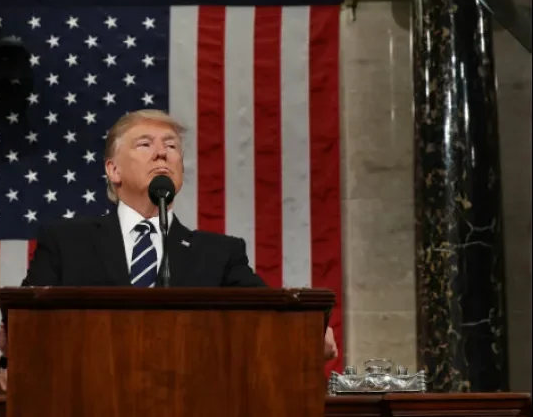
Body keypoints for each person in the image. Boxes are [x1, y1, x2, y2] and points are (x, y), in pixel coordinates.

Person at [22, 109, 338, 360]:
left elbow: (272, 315)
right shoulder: (66, 242)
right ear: (113, 170)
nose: (162, 154)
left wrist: (306, 329)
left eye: (171, 146)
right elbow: (22, 324)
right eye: (145, 144)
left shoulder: (220, 255)